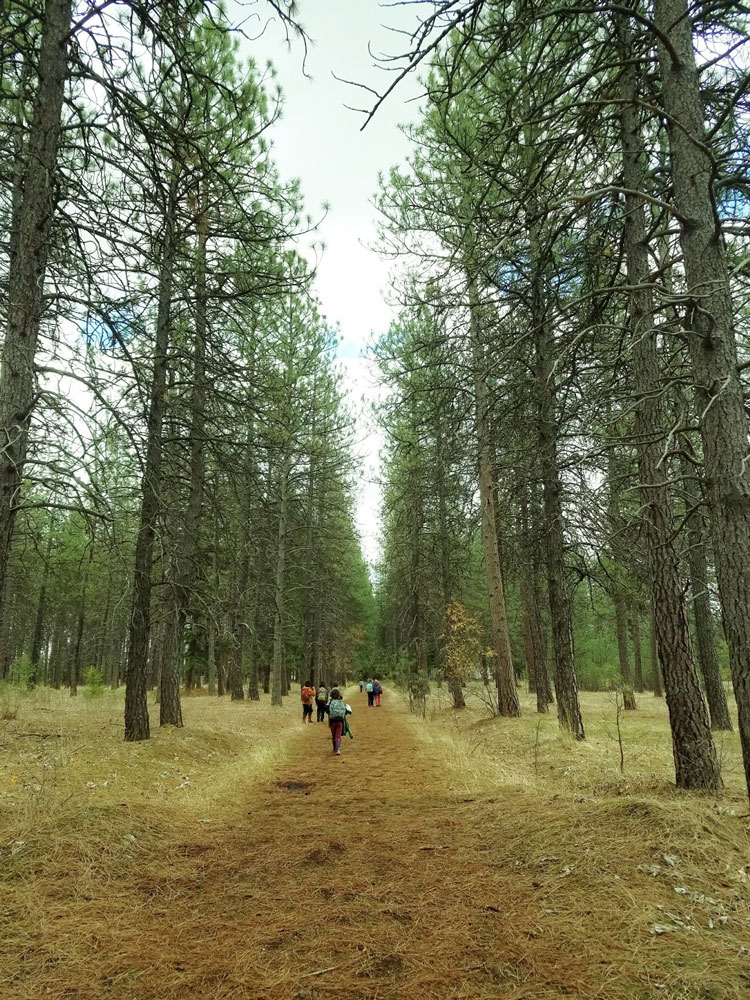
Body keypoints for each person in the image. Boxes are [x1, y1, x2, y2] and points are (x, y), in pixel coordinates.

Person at [326, 688, 351, 755]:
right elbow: (345, 711)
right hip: (340, 721)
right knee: (338, 735)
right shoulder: (341, 702)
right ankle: (337, 749)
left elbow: (327, 710)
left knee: (333, 735)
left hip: (332, 722)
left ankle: (334, 748)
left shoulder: (331, 702)